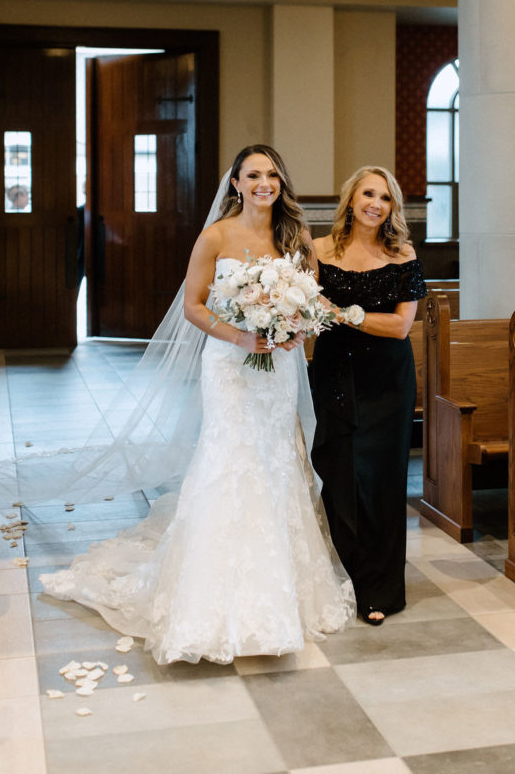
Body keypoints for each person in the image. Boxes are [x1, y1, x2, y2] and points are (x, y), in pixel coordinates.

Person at [35, 145, 355, 664]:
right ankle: (210, 599)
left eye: (272, 175)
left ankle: (279, 592)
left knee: (276, 464)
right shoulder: (216, 236)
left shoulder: (295, 238)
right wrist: (240, 336)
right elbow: (193, 306)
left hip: (278, 372)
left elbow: (311, 299)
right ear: (235, 183)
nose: (263, 184)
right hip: (230, 367)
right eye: (253, 175)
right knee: (229, 460)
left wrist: (295, 328)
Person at [310, 165, 426, 626]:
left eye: (386, 197)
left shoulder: (402, 255)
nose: (376, 203)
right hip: (335, 373)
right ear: (351, 201)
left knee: (379, 481)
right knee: (338, 473)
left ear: (392, 207)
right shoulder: (319, 250)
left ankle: (379, 589)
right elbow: (304, 309)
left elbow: (399, 327)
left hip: (387, 382)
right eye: (368, 194)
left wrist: (341, 312)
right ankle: (344, 577)